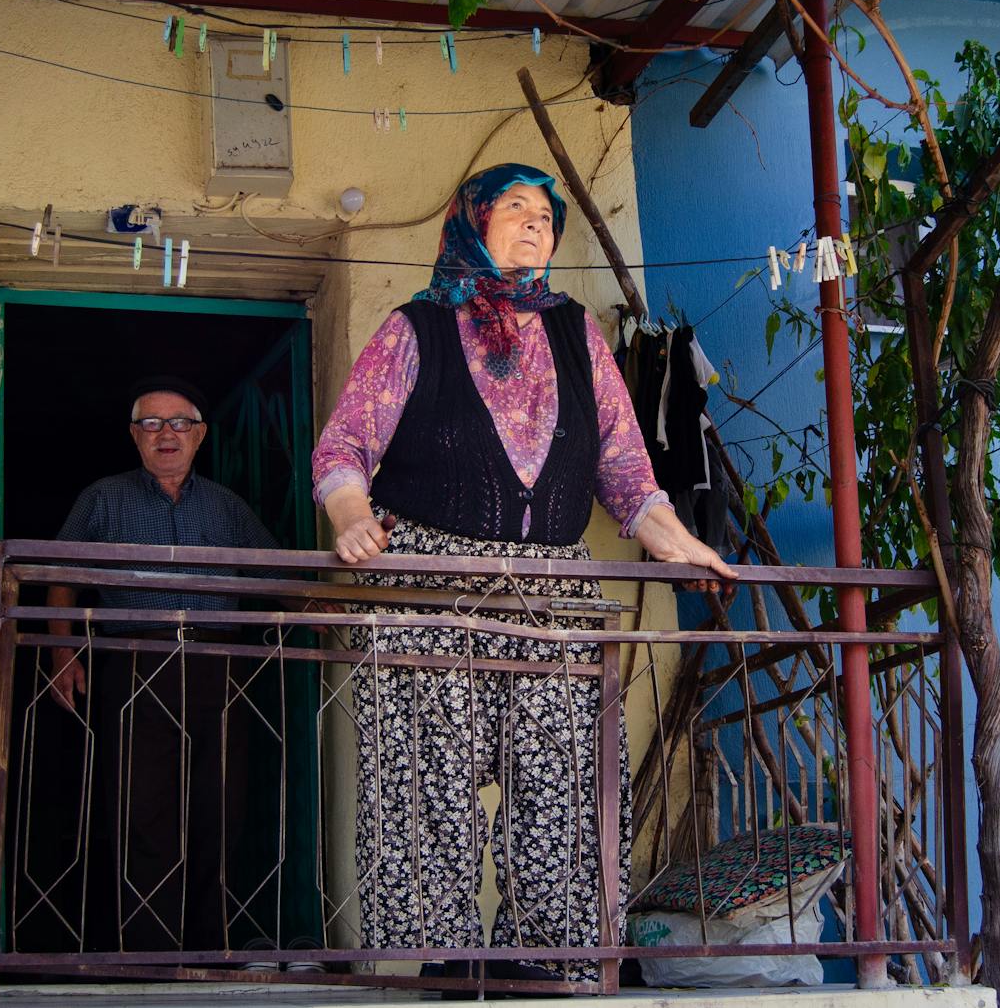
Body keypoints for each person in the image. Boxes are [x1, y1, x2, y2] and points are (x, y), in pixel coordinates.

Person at [311, 163, 733, 985]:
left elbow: (626, 469)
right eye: (516, 206)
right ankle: (447, 961)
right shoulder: (416, 328)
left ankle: (540, 960)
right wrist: (353, 515)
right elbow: (345, 445)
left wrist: (681, 542)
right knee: (428, 778)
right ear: (473, 221)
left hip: (556, 586)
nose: (537, 222)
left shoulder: (576, 333)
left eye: (547, 212)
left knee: (565, 776)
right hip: (433, 583)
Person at [45, 377, 281, 954]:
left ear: (200, 435)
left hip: (218, 668)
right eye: (151, 424)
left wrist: (323, 605)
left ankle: (209, 950)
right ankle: (148, 952)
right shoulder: (103, 499)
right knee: (141, 808)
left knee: (219, 807)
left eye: (179, 423)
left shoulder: (227, 506)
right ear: (134, 435)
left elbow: (276, 573)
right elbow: (59, 577)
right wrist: (61, 653)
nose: (166, 433)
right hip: (135, 664)